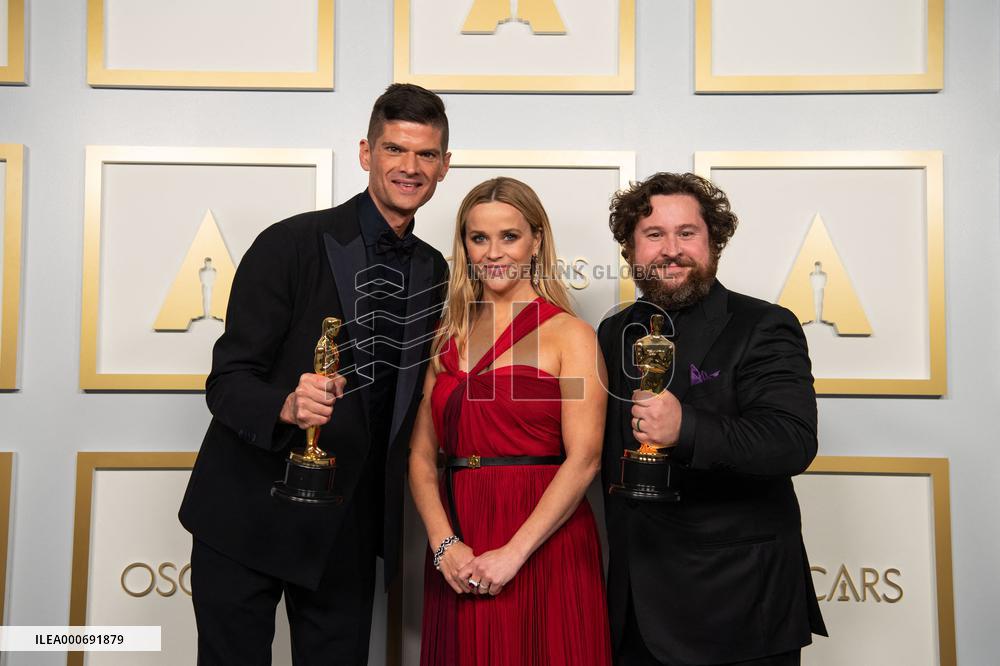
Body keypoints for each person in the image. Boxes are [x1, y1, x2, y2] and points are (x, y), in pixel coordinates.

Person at [178, 83, 451, 666]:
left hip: (347, 532)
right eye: (394, 149)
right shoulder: (289, 243)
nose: (410, 167)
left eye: (426, 154)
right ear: (365, 153)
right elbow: (227, 382)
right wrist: (286, 406)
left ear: (444, 166)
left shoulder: (435, 269)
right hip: (248, 514)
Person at [597, 172, 828, 666]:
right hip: (634, 610)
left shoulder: (764, 325)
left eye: (687, 233)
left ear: (714, 242)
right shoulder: (613, 332)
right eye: (654, 235)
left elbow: (791, 439)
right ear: (631, 249)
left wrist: (688, 428)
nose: (670, 249)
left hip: (738, 608)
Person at [409, 177, 612, 665]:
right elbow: (420, 454)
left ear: (536, 240)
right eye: (478, 238)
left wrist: (514, 553)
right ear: (464, 246)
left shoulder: (571, 336)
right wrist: (444, 545)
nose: (493, 252)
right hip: (460, 536)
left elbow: (584, 459)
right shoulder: (447, 335)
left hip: (544, 539)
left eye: (509, 236)